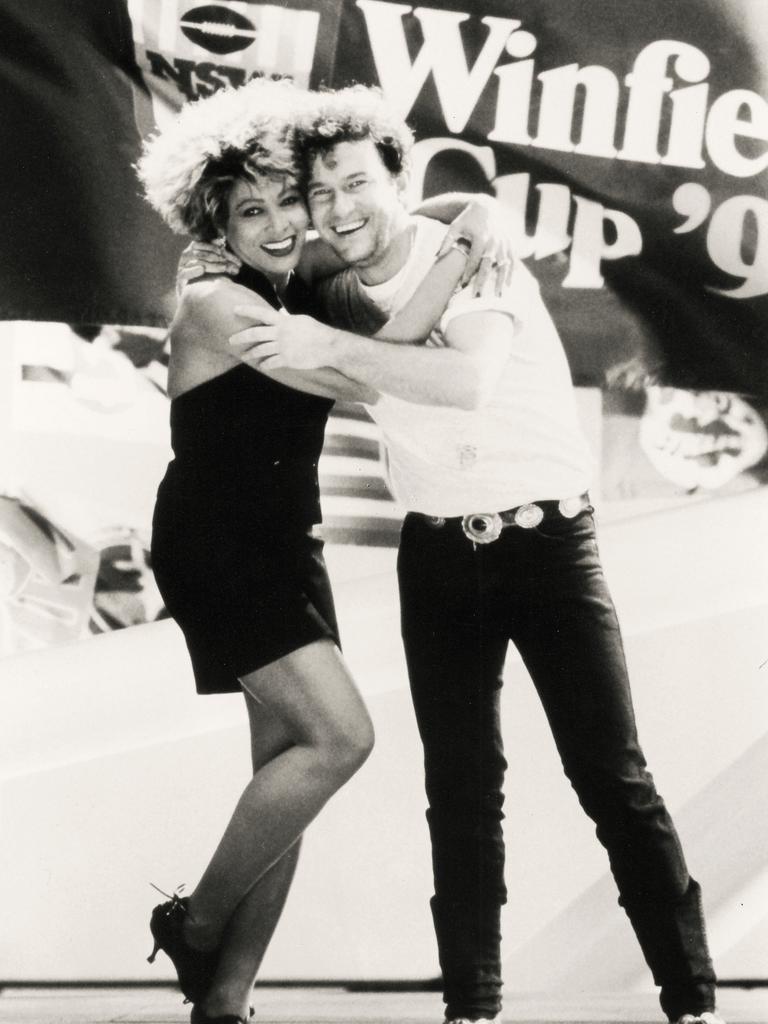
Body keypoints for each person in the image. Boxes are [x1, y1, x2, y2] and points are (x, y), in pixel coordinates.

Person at [229, 85, 724, 1024]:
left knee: (611, 776)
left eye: (354, 182)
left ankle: (693, 1000)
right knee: (458, 789)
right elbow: (322, 346)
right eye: (319, 192)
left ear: (397, 178)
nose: (337, 209)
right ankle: (472, 1007)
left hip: (549, 543)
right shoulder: (332, 285)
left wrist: (469, 218)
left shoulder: (480, 252)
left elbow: (464, 381)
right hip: (439, 557)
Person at [137, 78, 508, 1024]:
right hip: (217, 548)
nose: (277, 222)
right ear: (213, 221)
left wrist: (472, 206)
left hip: (284, 546)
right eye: (248, 210)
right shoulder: (219, 300)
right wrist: (465, 251)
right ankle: (196, 921)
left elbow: (405, 216)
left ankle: (224, 1001)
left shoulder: (293, 286)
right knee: (342, 739)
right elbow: (374, 359)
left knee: (288, 770)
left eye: (287, 200)